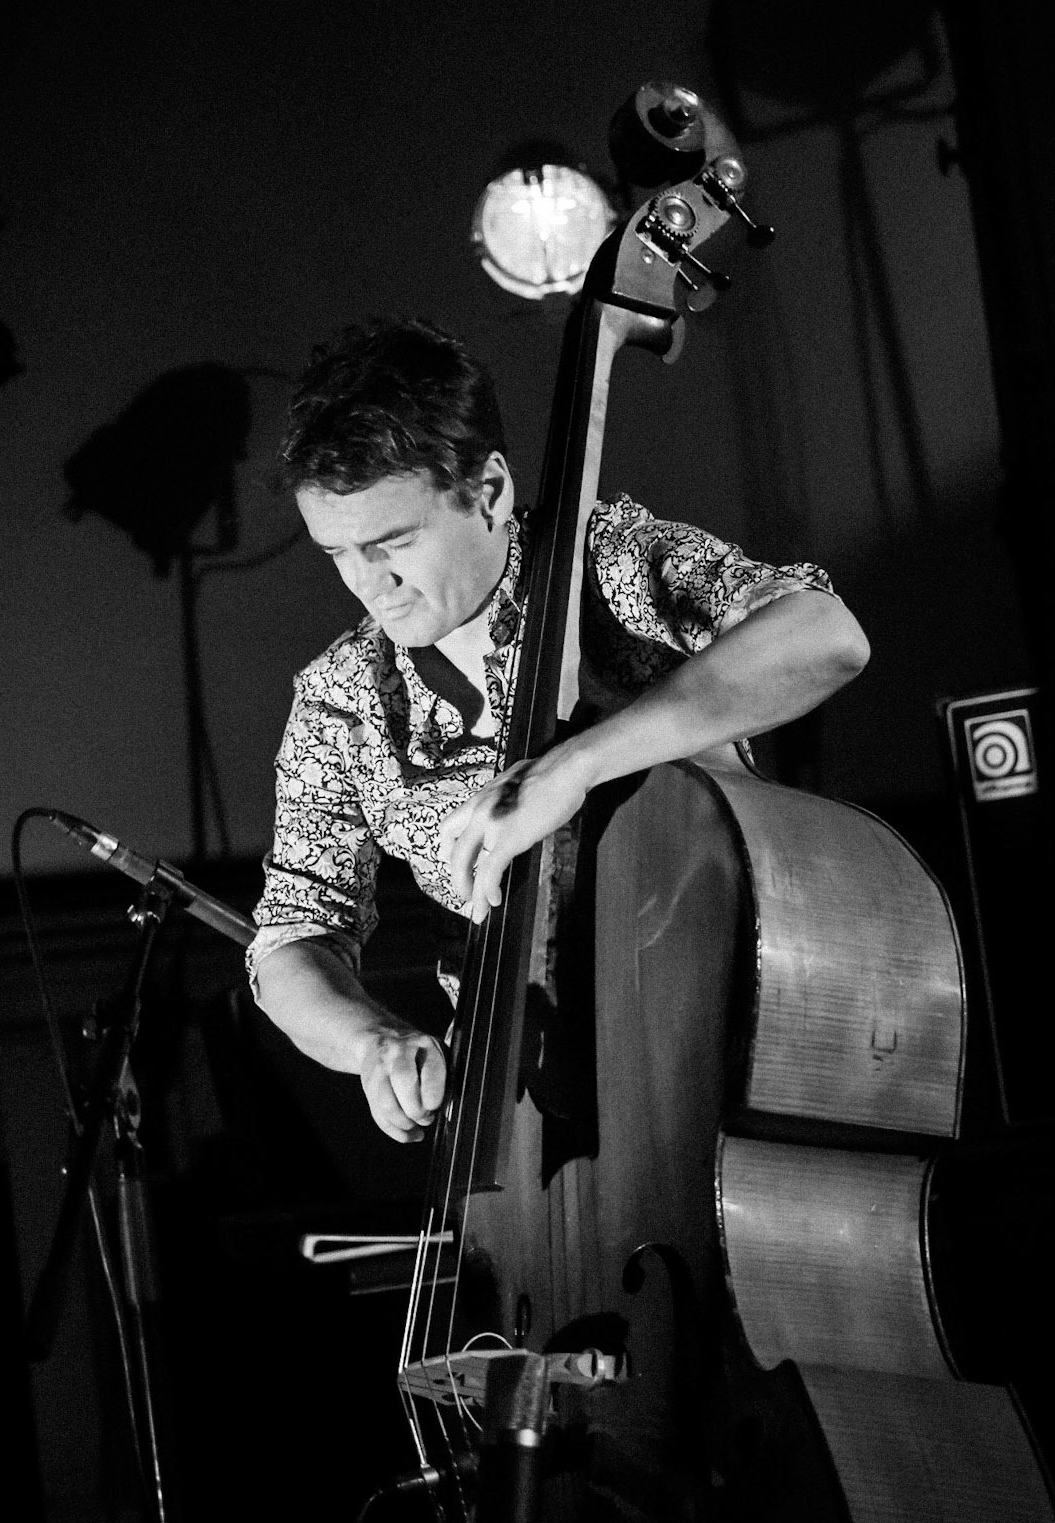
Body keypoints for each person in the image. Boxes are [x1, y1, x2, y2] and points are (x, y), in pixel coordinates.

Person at [248, 318, 869, 1143]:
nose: (372, 585)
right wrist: (372, 1044)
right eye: (339, 555)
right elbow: (294, 930)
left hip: (727, 1048)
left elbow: (824, 635)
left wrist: (573, 765)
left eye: (393, 543)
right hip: (525, 1116)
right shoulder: (341, 697)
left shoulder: (603, 562)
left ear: (490, 490)